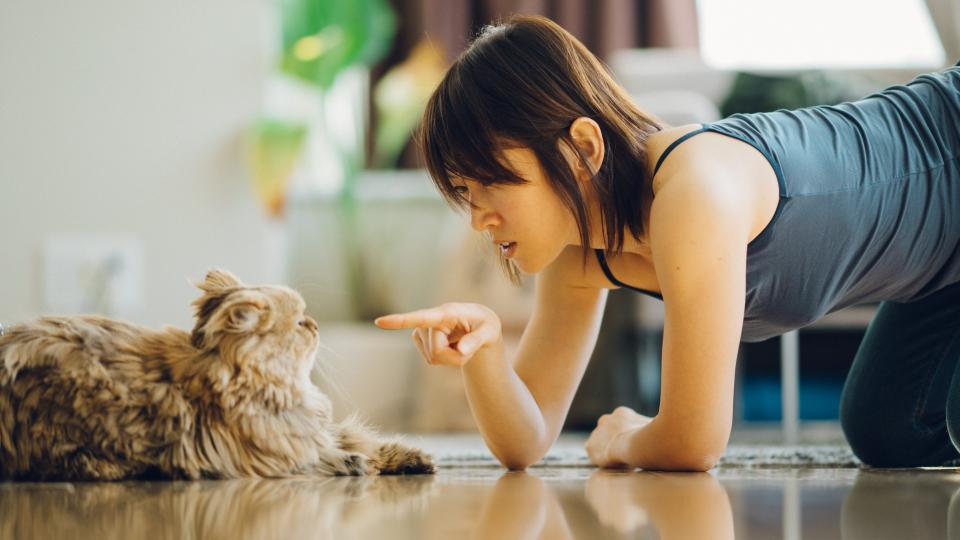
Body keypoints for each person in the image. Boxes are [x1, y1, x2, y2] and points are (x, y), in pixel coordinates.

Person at [374, 14, 960, 471]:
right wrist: (485, 355)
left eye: (494, 184)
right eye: (464, 191)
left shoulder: (693, 192)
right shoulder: (582, 256)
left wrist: (630, 438)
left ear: (583, 149)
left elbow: (693, 441)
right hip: (943, 267)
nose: (479, 219)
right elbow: (527, 440)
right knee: (891, 430)